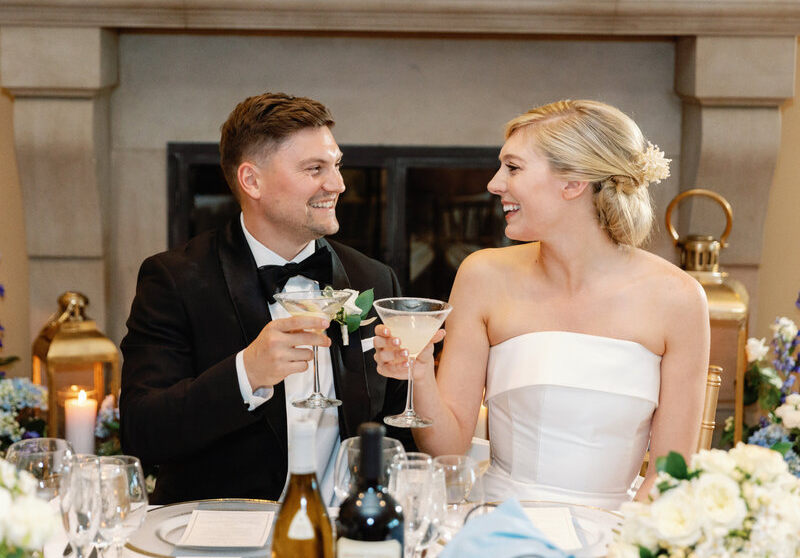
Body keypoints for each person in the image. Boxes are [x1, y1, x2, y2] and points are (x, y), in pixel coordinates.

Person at [374, 99, 710, 509]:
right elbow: (446, 449)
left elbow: (668, 475)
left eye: (513, 168)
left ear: (573, 182)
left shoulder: (677, 298)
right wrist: (420, 372)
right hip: (498, 525)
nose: (494, 184)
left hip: (616, 533)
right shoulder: (482, 276)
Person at [120, 92, 413, 505]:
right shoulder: (174, 279)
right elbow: (142, 432)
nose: (338, 184)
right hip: (223, 535)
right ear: (251, 180)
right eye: (315, 169)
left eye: (337, 165)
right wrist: (247, 372)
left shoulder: (375, 279)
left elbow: (398, 431)